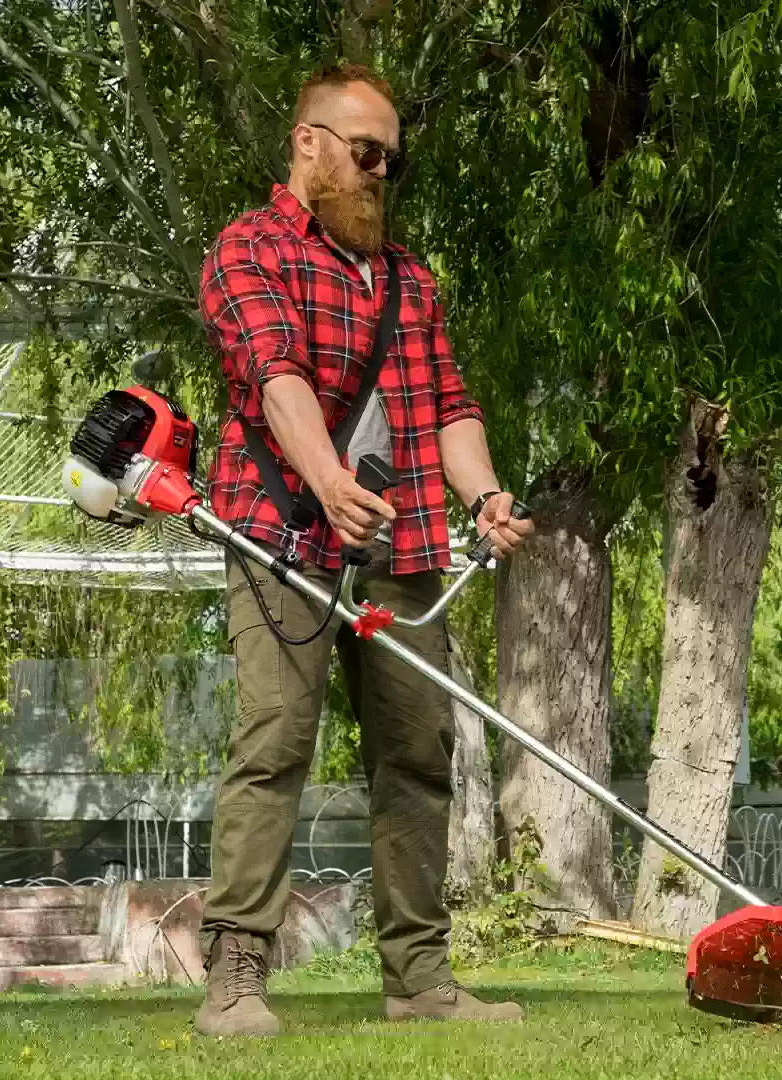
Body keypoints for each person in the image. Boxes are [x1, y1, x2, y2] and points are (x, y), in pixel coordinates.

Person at [194, 63, 534, 1037]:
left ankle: (420, 984)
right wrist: (328, 481)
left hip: (407, 540)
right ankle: (235, 982)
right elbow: (275, 375)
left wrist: (488, 494)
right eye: (366, 152)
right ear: (309, 145)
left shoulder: (407, 281)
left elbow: (450, 410)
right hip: (286, 535)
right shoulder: (248, 250)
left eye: (394, 157)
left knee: (418, 754)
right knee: (274, 743)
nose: (384, 171)